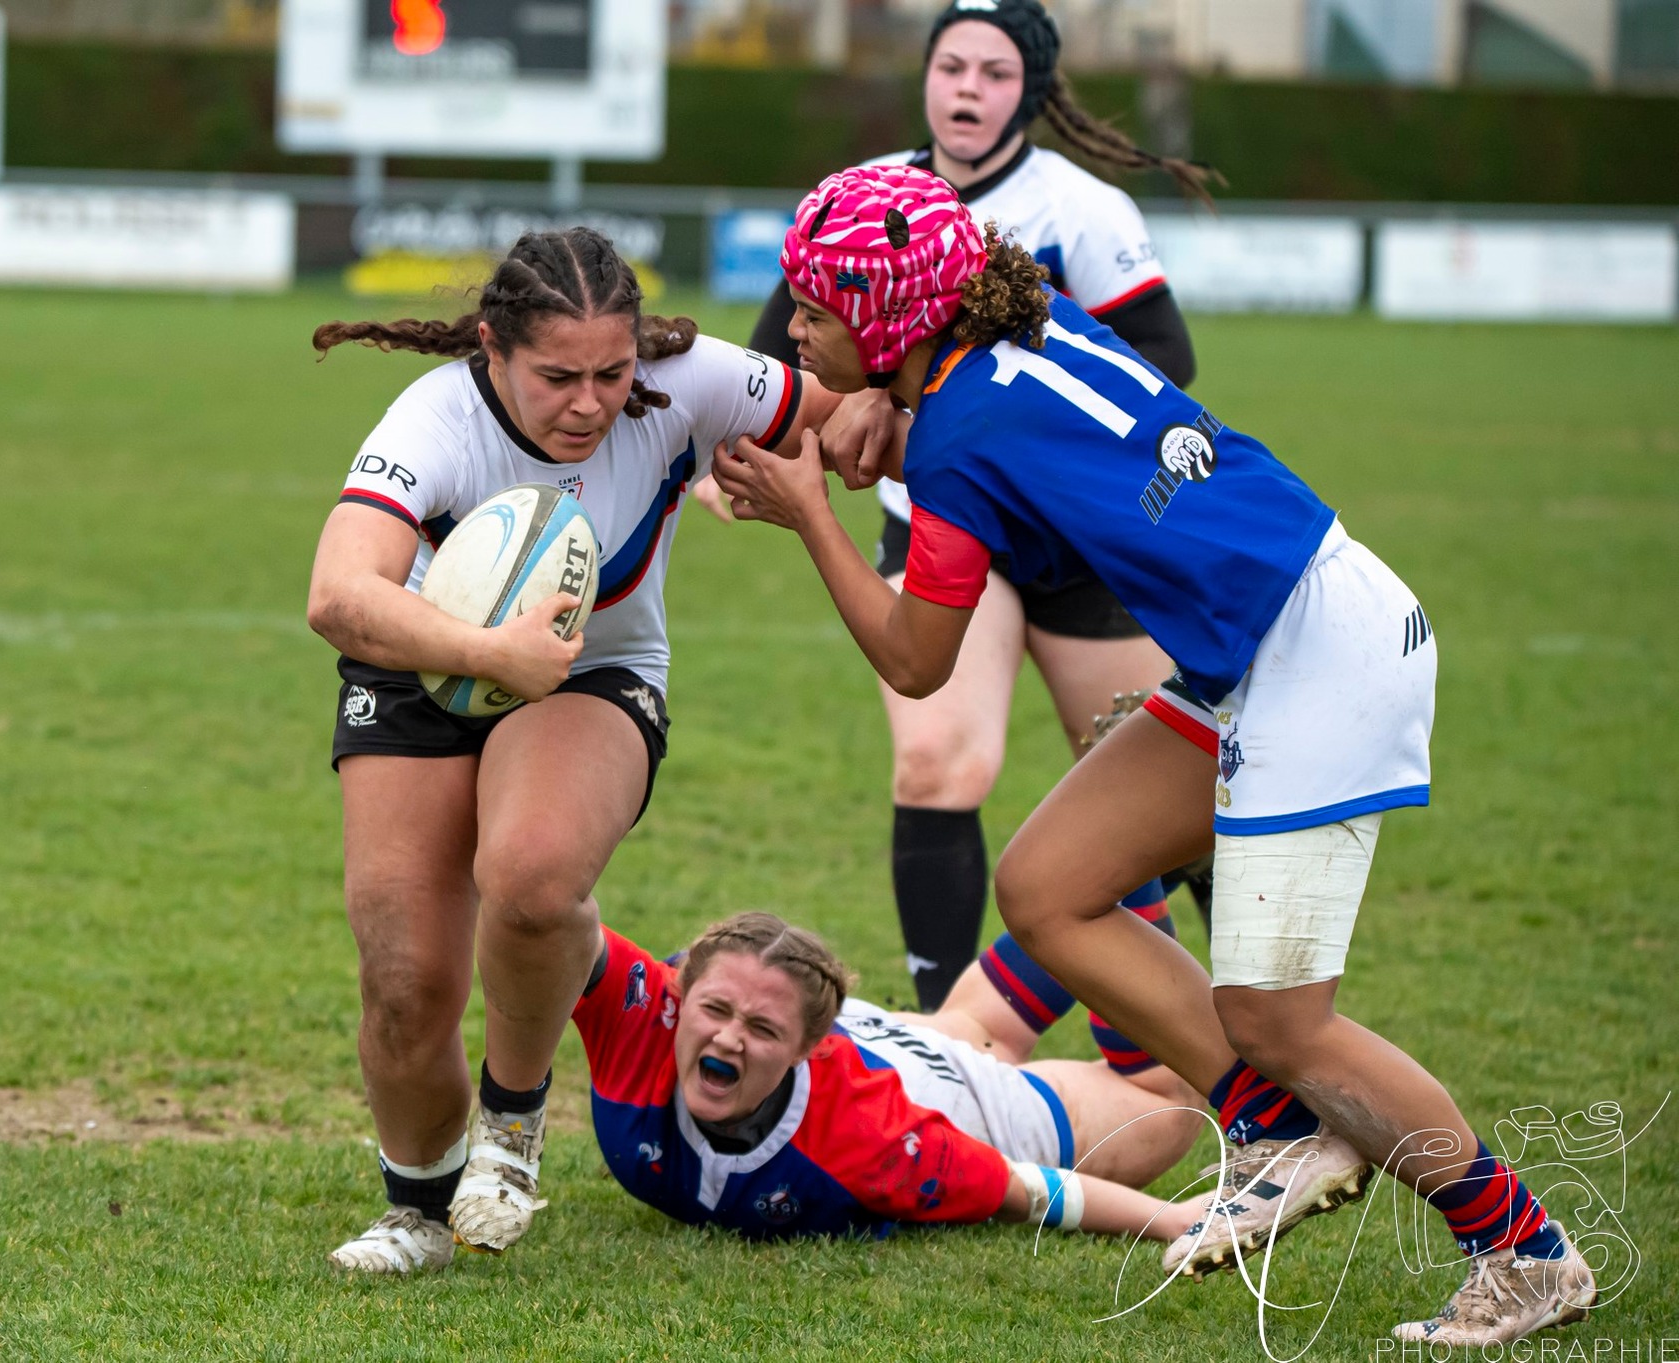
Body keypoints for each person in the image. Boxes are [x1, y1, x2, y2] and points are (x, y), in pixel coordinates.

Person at [709, 164, 1597, 1345]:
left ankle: (1524, 1251)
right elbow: (1000, 447)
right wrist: (883, 402)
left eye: (816, 309)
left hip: (1311, 656)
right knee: (1045, 886)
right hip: (1274, 632)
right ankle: (1272, 1126)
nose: (794, 327)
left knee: (1283, 1023)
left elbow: (916, 661)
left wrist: (810, 513)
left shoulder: (958, 428)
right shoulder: (1009, 326)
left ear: (890, 321)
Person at [307, 228, 837, 1273]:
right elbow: (338, 594)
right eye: (557, 377)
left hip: (596, 668)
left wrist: (840, 465)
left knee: (532, 875)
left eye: (612, 372)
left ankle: (510, 1126)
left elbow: (857, 416)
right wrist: (485, 650)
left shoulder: (690, 381)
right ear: (493, 347)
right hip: (421, 661)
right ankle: (420, 1210)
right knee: (406, 981)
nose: (590, 403)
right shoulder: (436, 419)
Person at [720, 0, 1220, 1021]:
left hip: (1075, 542)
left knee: (1162, 796)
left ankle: (1249, 1015)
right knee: (936, 760)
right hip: (940, 516)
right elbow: (779, 350)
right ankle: (947, 1043)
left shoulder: (1079, 208)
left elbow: (1166, 360)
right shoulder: (863, 199)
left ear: (1029, 92)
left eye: (994, 73)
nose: (966, 89)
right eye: (951, 66)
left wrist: (968, 409)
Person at [572, 912, 1209, 1242]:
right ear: (681, 990)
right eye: (714, 1009)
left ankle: (1147, 835)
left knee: (1170, 1098)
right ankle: (1138, 841)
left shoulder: (872, 1141)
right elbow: (551, 921)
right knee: (1072, 907)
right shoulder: (647, 1011)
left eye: (761, 1028)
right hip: (932, 1033)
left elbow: (1022, 1187)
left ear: (807, 1049)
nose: (728, 1038)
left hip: (994, 1104)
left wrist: (1170, 1219)